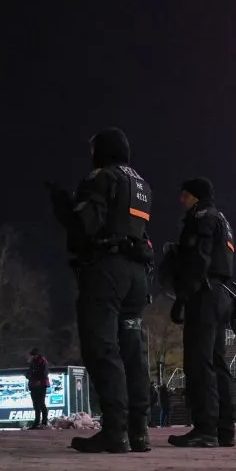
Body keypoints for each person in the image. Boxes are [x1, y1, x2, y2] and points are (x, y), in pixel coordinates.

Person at [50, 129, 154, 453]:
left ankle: (114, 431)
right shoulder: (141, 185)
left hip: (107, 272)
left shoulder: (101, 177)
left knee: (103, 349)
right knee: (133, 353)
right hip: (137, 276)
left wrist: (64, 207)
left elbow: (86, 224)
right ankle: (139, 431)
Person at [168, 177, 236, 448]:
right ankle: (224, 430)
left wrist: (183, 296)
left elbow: (199, 257)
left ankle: (205, 428)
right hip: (219, 293)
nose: (181, 201)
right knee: (217, 363)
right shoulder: (222, 219)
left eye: (184, 195)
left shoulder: (202, 217)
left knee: (199, 362)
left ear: (195, 196)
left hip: (203, 293)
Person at [26, 348, 50, 430]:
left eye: (33, 355)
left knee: (41, 403)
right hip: (34, 385)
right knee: (36, 405)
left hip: (41, 385)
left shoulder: (42, 361)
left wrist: (33, 374)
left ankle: (44, 422)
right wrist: (28, 375)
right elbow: (29, 371)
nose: (33, 356)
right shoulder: (33, 362)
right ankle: (36, 423)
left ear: (37, 355)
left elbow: (44, 373)